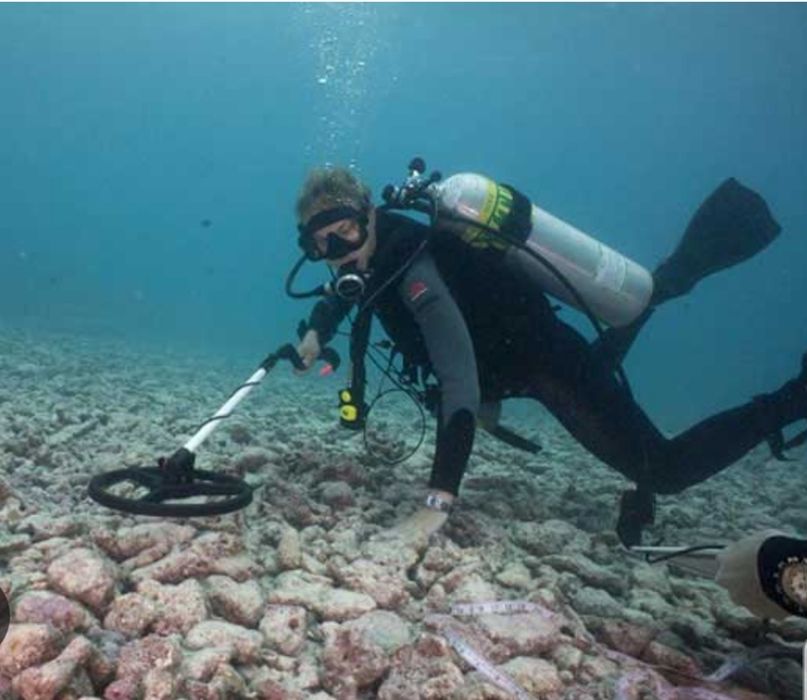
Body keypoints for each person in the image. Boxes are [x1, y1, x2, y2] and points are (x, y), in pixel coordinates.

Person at [291, 166, 807, 546]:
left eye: (345, 233)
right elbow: (343, 293)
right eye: (321, 246)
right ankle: (667, 281)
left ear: (370, 215)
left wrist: (436, 503)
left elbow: (459, 381)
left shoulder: (413, 266)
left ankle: (793, 398)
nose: (337, 253)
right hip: (512, 362)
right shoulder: (376, 256)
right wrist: (315, 335)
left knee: (665, 471)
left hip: (546, 363)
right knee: (611, 342)